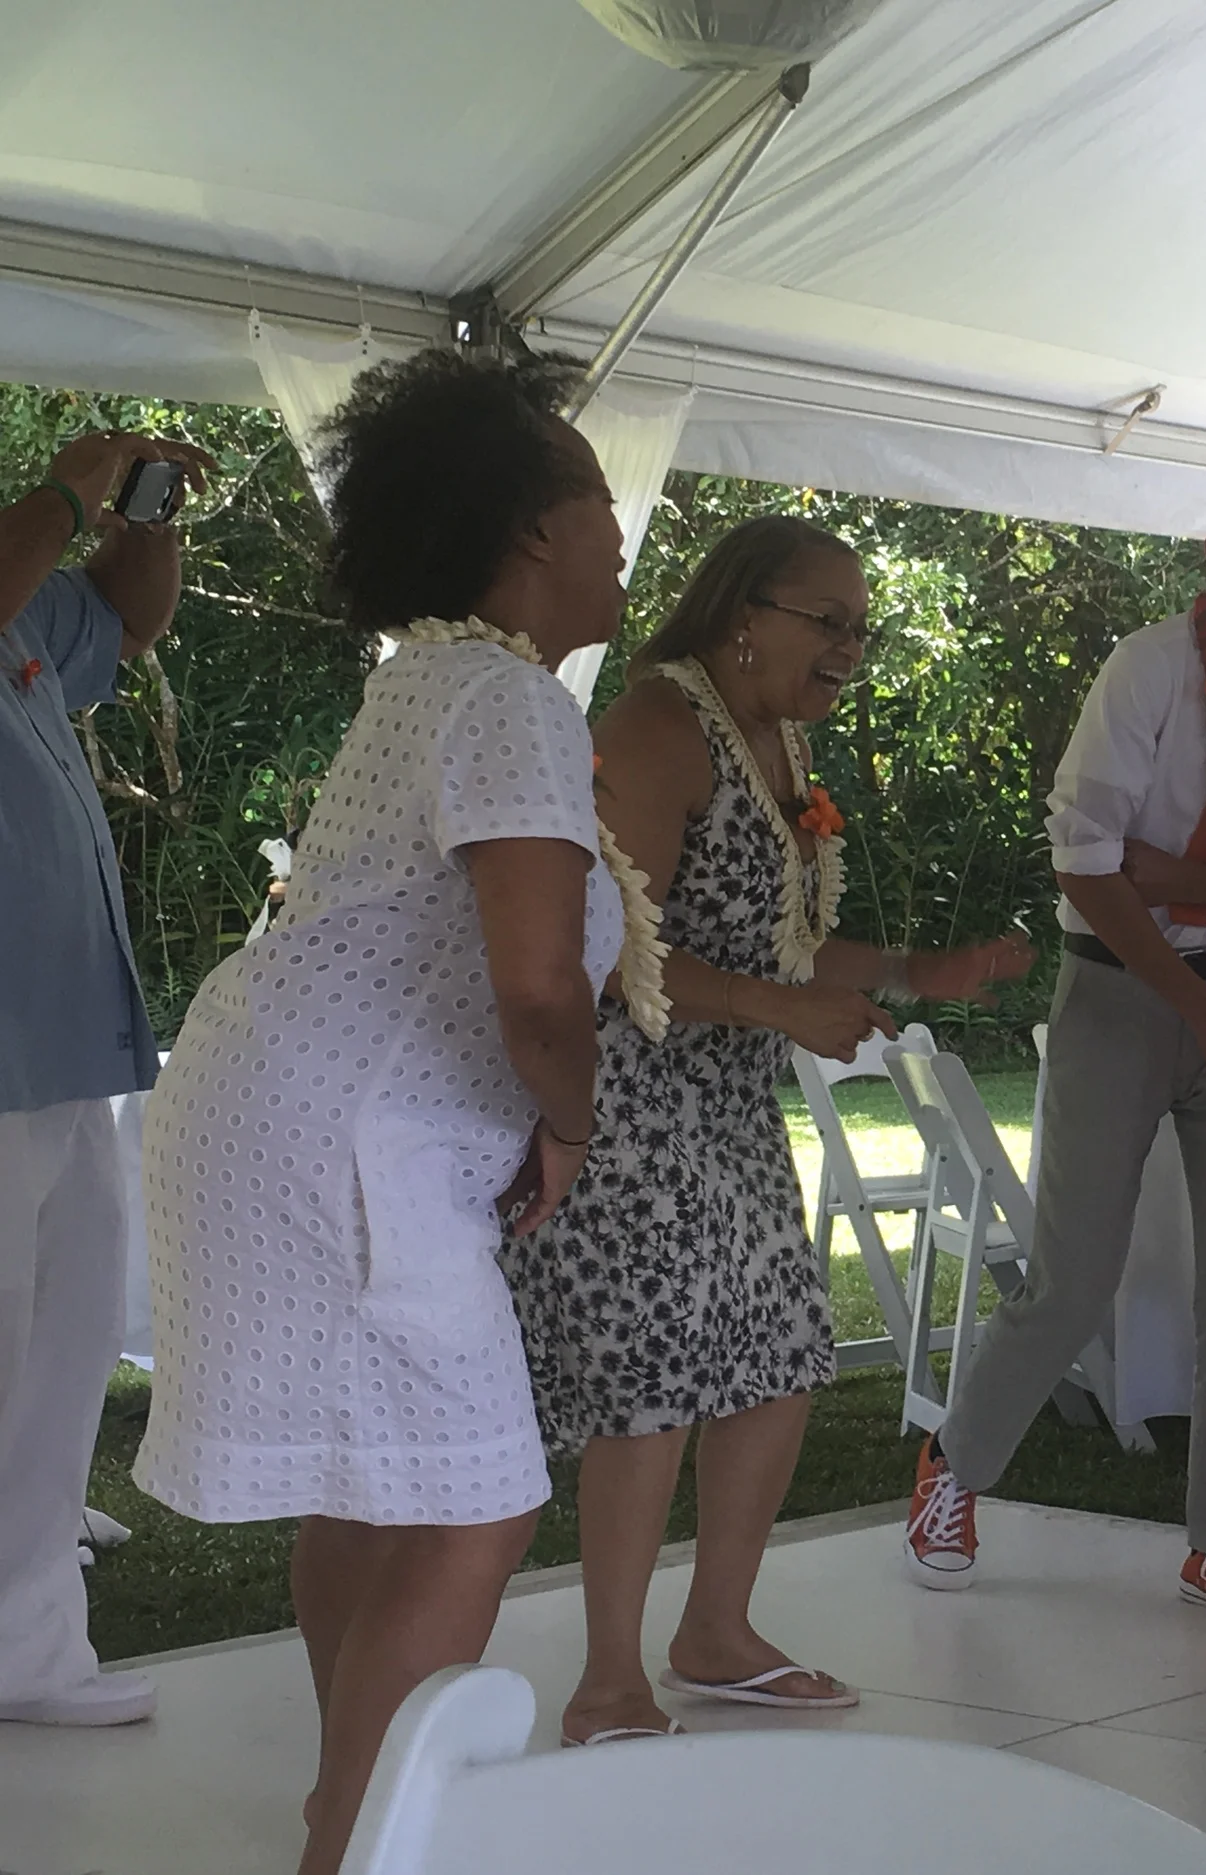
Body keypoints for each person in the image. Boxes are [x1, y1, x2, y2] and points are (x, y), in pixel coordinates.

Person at [133, 348, 628, 1875]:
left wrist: (529, 1118)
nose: (622, 532)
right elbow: (539, 987)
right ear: (533, 528)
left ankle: (342, 1813)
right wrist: (574, 1126)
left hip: (288, 1110)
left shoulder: (434, 679)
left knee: (377, 1477)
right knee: (473, 1498)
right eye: (600, 500)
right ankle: (360, 1845)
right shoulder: (508, 698)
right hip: (344, 1143)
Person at [503, 515, 1032, 1747]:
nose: (848, 647)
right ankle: (607, 1681)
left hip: (728, 1105)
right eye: (825, 621)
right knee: (656, 1379)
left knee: (782, 1351)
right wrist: (773, 1006)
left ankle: (717, 1633)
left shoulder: (778, 742)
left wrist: (915, 969)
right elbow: (609, 947)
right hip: (628, 1106)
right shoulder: (657, 727)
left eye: (861, 629)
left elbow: (781, 940)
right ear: (744, 615)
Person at [903, 451, 1206, 1618]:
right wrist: (1200, 1005)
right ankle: (953, 1468)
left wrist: (1184, 882)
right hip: (1119, 995)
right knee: (1074, 1277)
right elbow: (1084, 861)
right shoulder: (1151, 665)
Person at [0, 427, 211, 1730]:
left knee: (61, 1357)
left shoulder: (26, 603)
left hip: (65, 1044)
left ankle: (26, 1642)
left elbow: (127, 627)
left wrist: (147, 518)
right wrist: (65, 493)